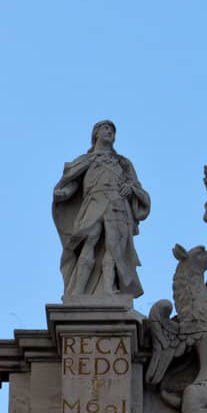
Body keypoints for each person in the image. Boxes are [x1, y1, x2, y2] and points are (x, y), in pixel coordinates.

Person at [52, 120, 151, 299]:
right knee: (90, 238)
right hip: (94, 201)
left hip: (117, 203)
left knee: (113, 247)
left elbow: (136, 186)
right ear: (96, 133)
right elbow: (74, 182)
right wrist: (64, 193)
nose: (110, 132)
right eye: (105, 128)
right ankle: (78, 292)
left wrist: (131, 190)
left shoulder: (123, 163)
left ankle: (108, 290)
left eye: (112, 130)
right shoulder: (85, 160)